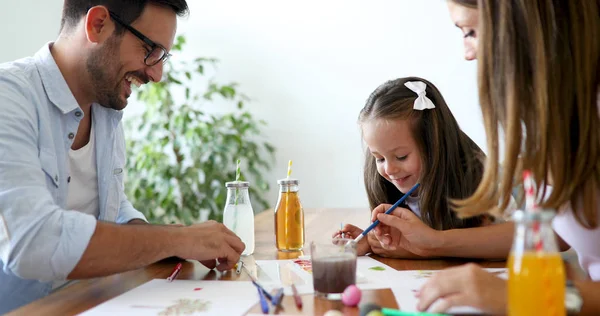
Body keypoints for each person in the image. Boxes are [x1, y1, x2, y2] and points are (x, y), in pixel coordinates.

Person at [0, 0, 244, 313]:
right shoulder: (9, 98)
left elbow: (112, 212)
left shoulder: (105, 110)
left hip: (94, 302)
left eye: (163, 57)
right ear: (98, 24)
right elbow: (33, 243)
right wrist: (179, 240)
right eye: (151, 50)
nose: (156, 74)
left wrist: (183, 242)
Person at [414, 1, 600, 314]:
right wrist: (433, 242)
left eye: (470, 31)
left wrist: (531, 297)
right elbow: (558, 228)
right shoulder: (560, 118)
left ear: (521, 20)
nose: (467, 53)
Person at [333, 77, 521, 259]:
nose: (389, 169)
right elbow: (407, 242)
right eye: (379, 158)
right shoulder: (391, 182)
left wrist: (422, 249)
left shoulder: (479, 177)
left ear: (434, 145)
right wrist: (374, 242)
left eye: (401, 157)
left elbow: (518, 239)